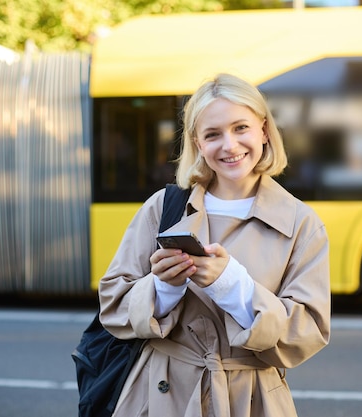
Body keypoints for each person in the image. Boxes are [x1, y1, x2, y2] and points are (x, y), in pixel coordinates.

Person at [98, 73, 331, 417]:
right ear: (197, 142)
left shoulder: (301, 223)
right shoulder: (162, 207)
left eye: (241, 128)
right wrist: (163, 288)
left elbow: (307, 334)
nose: (229, 145)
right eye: (213, 134)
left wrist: (232, 285)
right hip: (159, 395)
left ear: (264, 130)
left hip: (251, 400)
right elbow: (112, 305)